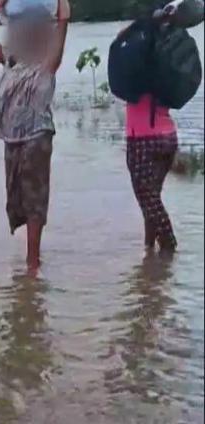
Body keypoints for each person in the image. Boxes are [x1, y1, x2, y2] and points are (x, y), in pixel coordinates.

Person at [0, 0, 69, 273]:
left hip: (37, 135)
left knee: (35, 199)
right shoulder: (9, 59)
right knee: (17, 198)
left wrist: (61, 7)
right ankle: (31, 260)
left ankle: (32, 263)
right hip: (12, 136)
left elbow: (62, 22)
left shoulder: (46, 63)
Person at [116, 5, 186, 254]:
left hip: (142, 138)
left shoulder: (137, 59)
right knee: (152, 196)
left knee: (148, 198)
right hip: (167, 137)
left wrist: (139, 26)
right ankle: (149, 251)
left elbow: (119, 41)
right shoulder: (167, 58)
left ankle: (168, 248)